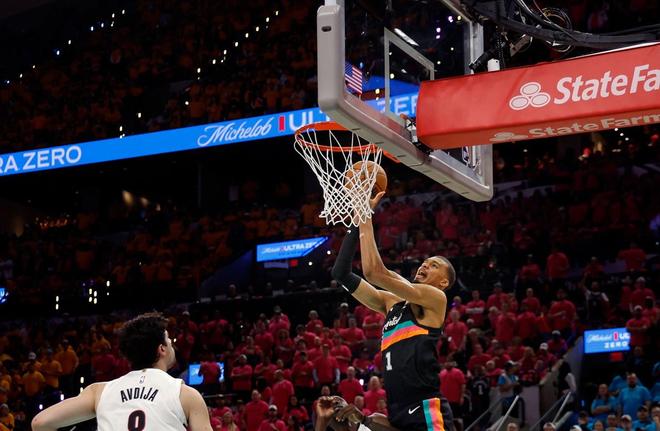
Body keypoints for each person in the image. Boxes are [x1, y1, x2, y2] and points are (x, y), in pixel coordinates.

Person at [331, 191, 455, 431]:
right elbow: (341, 274)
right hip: (396, 409)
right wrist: (358, 220)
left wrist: (365, 212)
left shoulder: (436, 299)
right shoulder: (391, 302)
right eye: (425, 262)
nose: (425, 265)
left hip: (425, 407)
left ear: (443, 282)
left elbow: (374, 272)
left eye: (434, 265)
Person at [31, 312, 213, 431]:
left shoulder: (99, 391)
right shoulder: (185, 394)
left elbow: (40, 423)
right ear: (162, 349)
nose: (172, 343)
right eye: (168, 340)